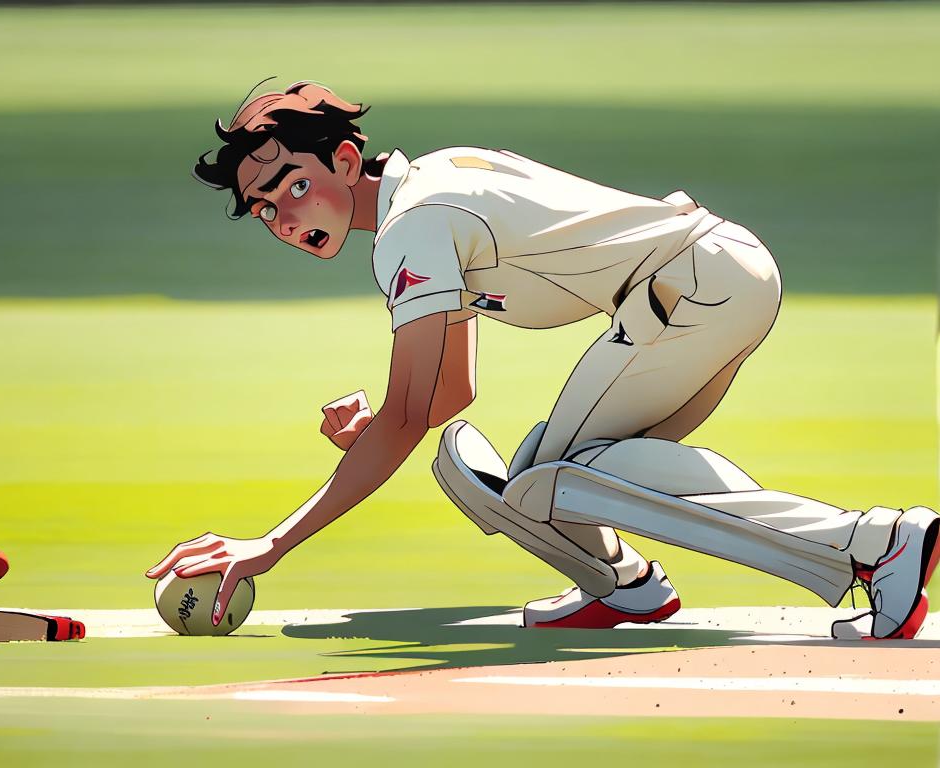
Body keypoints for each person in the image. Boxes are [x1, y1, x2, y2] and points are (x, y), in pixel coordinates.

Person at [145, 81, 937, 640]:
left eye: (290, 185)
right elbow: (448, 390)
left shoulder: (411, 234)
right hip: (707, 277)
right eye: (262, 209)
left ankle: (875, 543)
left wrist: (271, 545)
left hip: (689, 289)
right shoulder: (435, 182)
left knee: (547, 484)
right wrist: (384, 427)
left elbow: (413, 412)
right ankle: (622, 586)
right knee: (560, 472)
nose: (283, 216)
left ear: (345, 163)